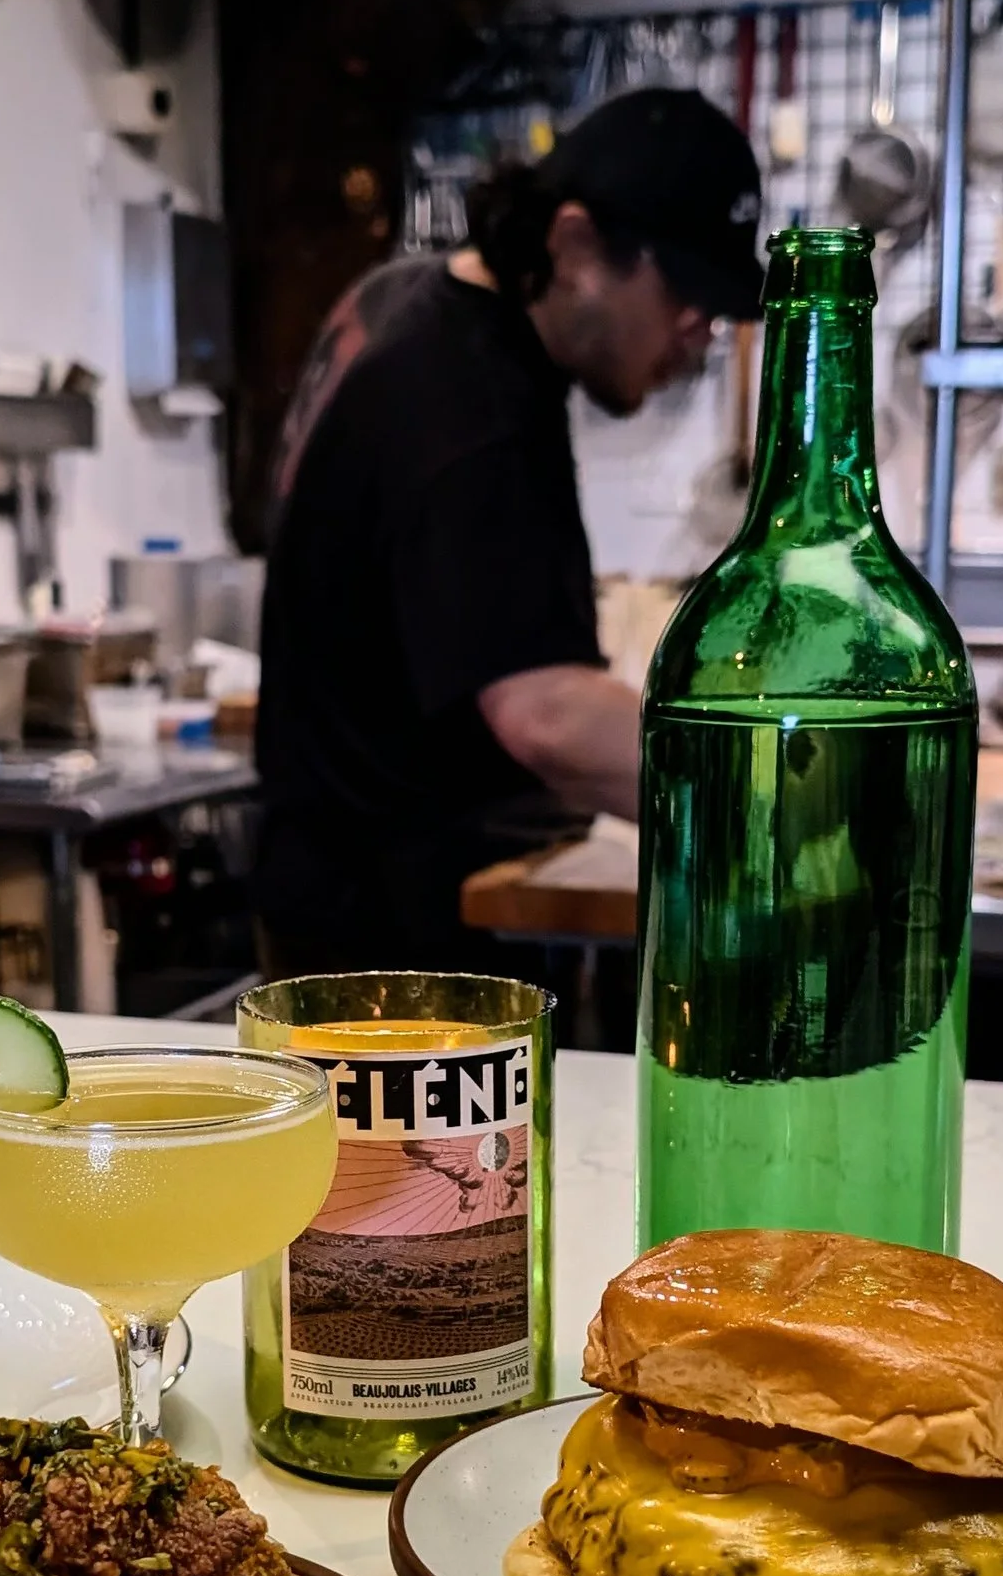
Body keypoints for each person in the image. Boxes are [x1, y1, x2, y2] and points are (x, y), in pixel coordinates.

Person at [253, 86, 765, 973]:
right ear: (575, 246)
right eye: (683, 291)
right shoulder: (472, 406)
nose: (702, 330)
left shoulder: (413, 304)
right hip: (390, 959)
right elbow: (548, 716)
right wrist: (772, 798)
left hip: (344, 897)